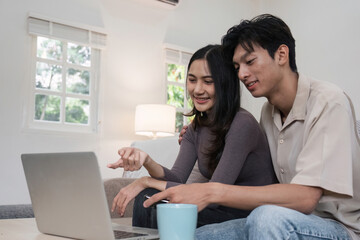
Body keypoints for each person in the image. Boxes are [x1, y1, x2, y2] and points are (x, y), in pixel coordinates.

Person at [144, 14, 360, 240]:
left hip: (336, 227)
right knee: (193, 235)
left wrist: (212, 191)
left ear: (281, 55)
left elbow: (306, 197)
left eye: (250, 62)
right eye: (237, 66)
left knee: (265, 218)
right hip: (283, 217)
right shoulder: (269, 112)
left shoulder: (328, 102)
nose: (241, 74)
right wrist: (200, 137)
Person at [107, 44, 277, 228]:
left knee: (153, 203)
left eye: (208, 81)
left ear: (225, 85)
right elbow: (177, 179)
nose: (197, 89)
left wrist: (145, 181)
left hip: (248, 214)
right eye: (192, 80)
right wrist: (147, 160)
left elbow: (212, 194)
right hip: (215, 207)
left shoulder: (242, 124)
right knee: (147, 198)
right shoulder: (196, 128)